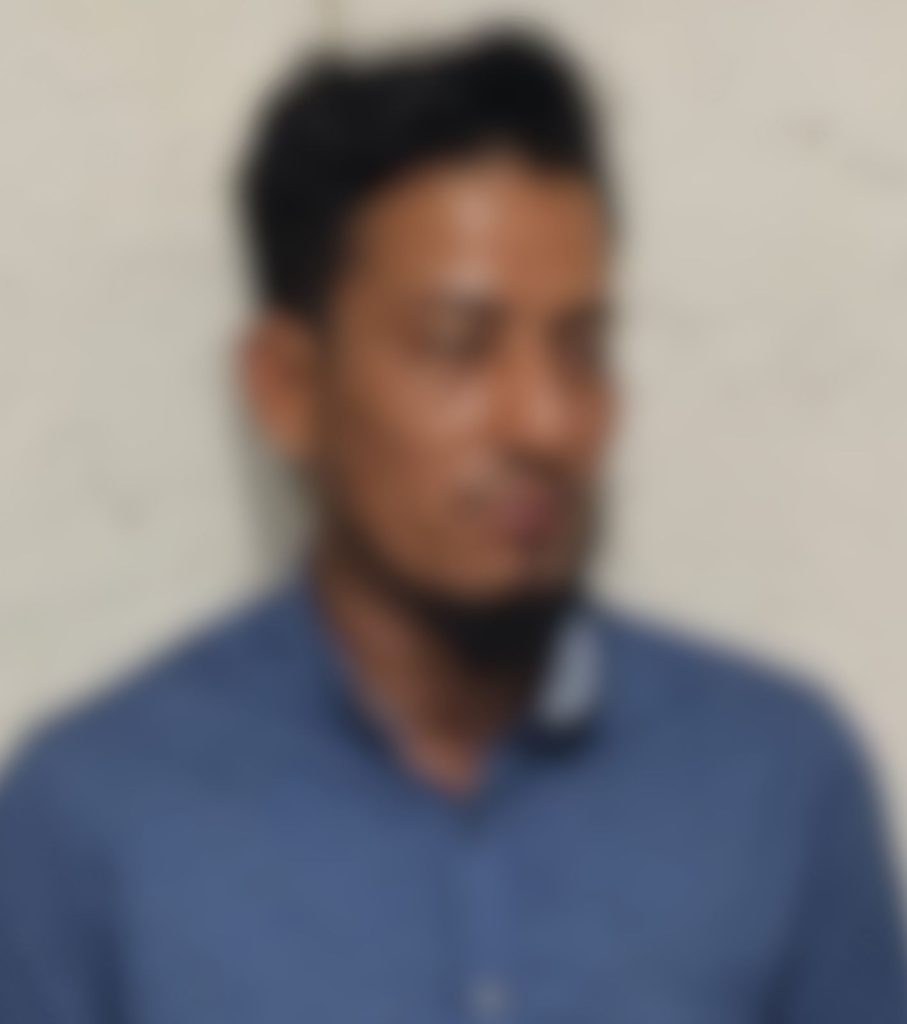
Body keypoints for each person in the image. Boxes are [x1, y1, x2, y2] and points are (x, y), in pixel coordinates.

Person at [0, 29, 904, 1024]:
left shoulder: (774, 786)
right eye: (457, 345)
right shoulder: (98, 821)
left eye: (579, 348)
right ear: (287, 385)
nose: (543, 421)